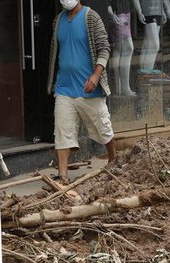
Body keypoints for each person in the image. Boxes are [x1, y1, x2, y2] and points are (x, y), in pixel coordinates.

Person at [47, 0, 116, 183]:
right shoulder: (58, 21)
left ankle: (113, 159)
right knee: (62, 130)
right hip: (64, 87)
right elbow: (56, 51)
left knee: (103, 128)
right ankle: (63, 176)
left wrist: (96, 75)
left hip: (88, 88)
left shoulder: (91, 17)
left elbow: (104, 48)